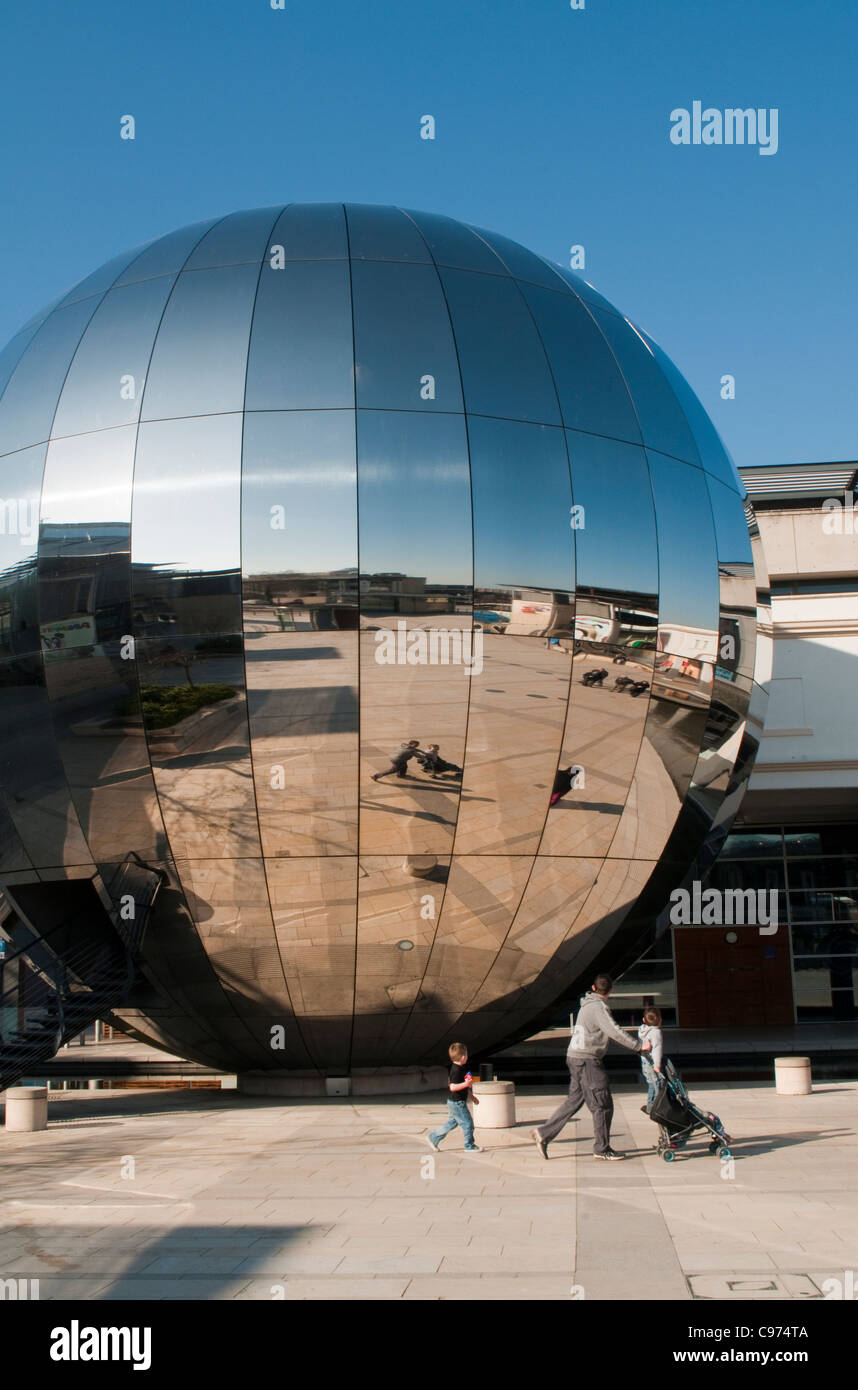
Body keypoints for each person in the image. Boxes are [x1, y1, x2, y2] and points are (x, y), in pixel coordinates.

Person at [532, 973, 650, 1161]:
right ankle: (602, 1148)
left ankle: (543, 1134)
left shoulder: (586, 1004)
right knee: (603, 1104)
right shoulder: (598, 1007)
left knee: (574, 1101)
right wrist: (638, 1046)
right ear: (610, 990)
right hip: (587, 1060)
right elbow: (614, 1031)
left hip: (574, 1057)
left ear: (594, 988)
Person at [426, 1042, 483, 1153]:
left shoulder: (460, 1068)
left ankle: (433, 1138)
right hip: (457, 1103)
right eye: (466, 1055)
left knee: (451, 1123)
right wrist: (466, 1084)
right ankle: (469, 1145)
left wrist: (471, 1096)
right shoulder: (456, 1070)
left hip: (454, 1102)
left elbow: (463, 1087)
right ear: (462, 1057)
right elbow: (452, 1087)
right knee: (468, 1124)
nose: (467, 1057)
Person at [638, 1007, 664, 1111]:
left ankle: (652, 1105)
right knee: (656, 1083)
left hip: (644, 1061)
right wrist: (657, 1065)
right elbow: (657, 1049)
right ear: (660, 1019)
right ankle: (653, 1106)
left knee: (651, 1082)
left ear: (644, 1020)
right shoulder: (656, 1032)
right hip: (651, 1062)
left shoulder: (642, 1029)